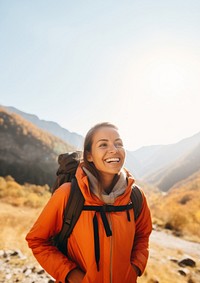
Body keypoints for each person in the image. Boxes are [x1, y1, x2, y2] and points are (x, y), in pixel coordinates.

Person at [26, 122, 152, 283]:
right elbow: (37, 240)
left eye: (118, 143)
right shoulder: (68, 194)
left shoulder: (135, 195)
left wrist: (134, 268)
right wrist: (71, 274)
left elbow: (142, 236)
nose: (114, 149)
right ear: (89, 155)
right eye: (103, 144)